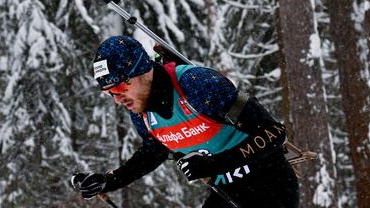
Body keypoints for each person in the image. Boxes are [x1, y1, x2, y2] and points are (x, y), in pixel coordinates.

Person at [71, 35, 299, 207]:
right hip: (226, 193)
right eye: (108, 92)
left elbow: (274, 133)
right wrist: (109, 181)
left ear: (143, 71)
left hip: (271, 186)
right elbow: (154, 151)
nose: (117, 99)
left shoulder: (196, 85)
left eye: (119, 87)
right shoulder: (141, 111)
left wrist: (214, 165)